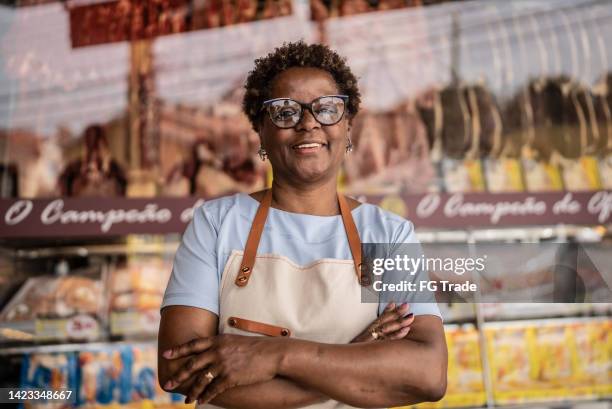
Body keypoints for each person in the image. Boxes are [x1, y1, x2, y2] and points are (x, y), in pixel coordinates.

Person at [158, 41, 447, 409]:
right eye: (285, 111)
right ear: (260, 131)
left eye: (327, 109)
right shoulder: (216, 224)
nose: (308, 122)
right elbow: (179, 371)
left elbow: (429, 373)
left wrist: (277, 356)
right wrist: (356, 357)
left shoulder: (388, 234)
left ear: (347, 126)